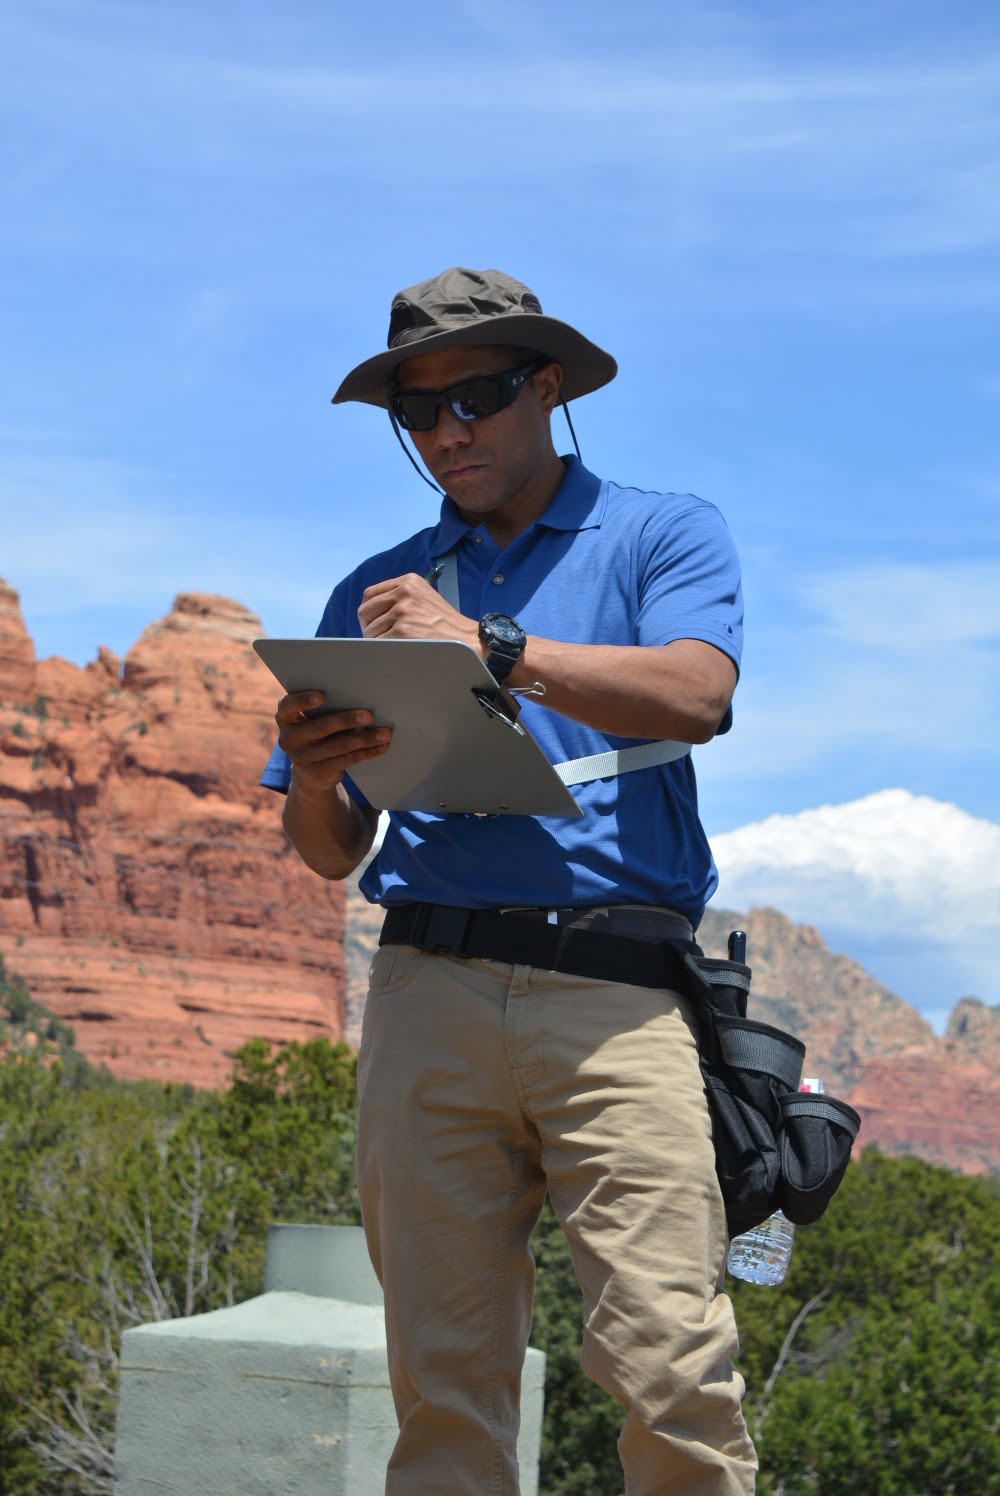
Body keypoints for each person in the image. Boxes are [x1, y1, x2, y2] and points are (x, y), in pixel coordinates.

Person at [261, 266, 756, 1494]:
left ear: (545, 386)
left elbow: (699, 694)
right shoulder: (376, 590)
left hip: (620, 1000)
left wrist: (491, 646)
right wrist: (319, 777)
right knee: (441, 1375)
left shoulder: (659, 531)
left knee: (668, 1359)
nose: (446, 432)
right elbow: (329, 851)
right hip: (426, 988)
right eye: (415, 413)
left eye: (473, 396)